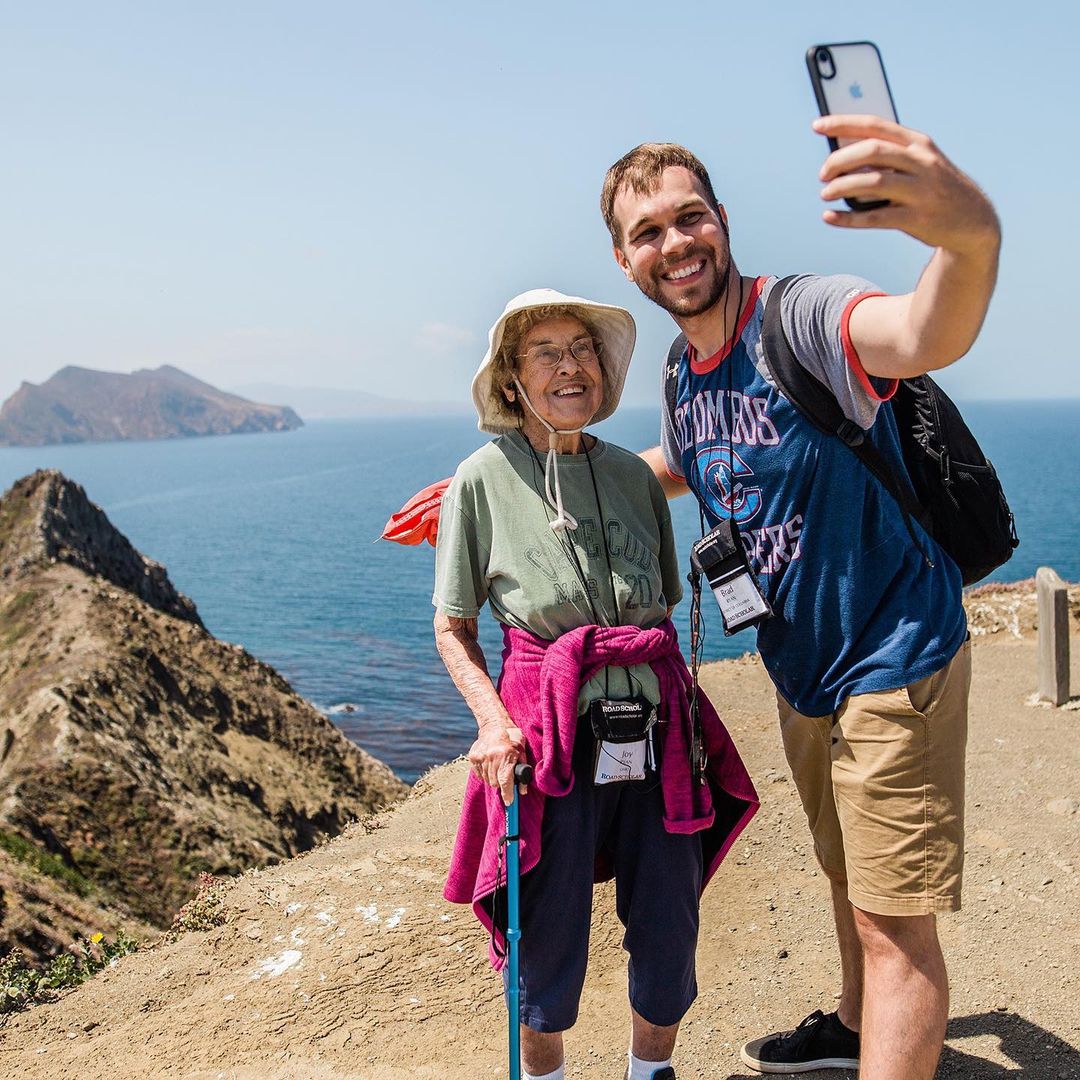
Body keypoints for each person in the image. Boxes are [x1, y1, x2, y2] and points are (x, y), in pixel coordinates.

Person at [600, 116, 1000, 1080]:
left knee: (895, 926)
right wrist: (530, 483)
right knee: (848, 875)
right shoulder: (681, 368)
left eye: (689, 217)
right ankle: (858, 1033)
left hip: (894, 653)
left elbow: (920, 333)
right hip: (803, 670)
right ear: (624, 260)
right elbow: (684, 462)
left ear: (722, 219)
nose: (674, 243)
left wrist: (967, 236)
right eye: (648, 232)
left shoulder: (802, 316)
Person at [435, 288, 758, 1080]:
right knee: (545, 932)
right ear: (512, 380)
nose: (570, 366)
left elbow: (660, 609)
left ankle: (652, 1073)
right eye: (545, 353)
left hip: (658, 729)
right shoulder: (479, 480)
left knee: (670, 918)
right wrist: (490, 723)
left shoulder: (632, 478)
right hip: (547, 739)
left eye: (582, 349)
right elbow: (454, 626)